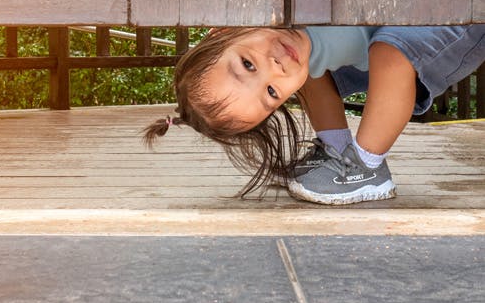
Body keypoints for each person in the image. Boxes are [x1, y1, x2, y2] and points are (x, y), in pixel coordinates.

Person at [143, 25, 485, 205]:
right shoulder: (292, 52)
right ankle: (344, 152)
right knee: (305, 71)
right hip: (419, 26)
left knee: (389, 52)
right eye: (271, 94)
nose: (274, 68)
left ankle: (365, 166)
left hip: (456, 3)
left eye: (247, 65)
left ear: (224, 31)